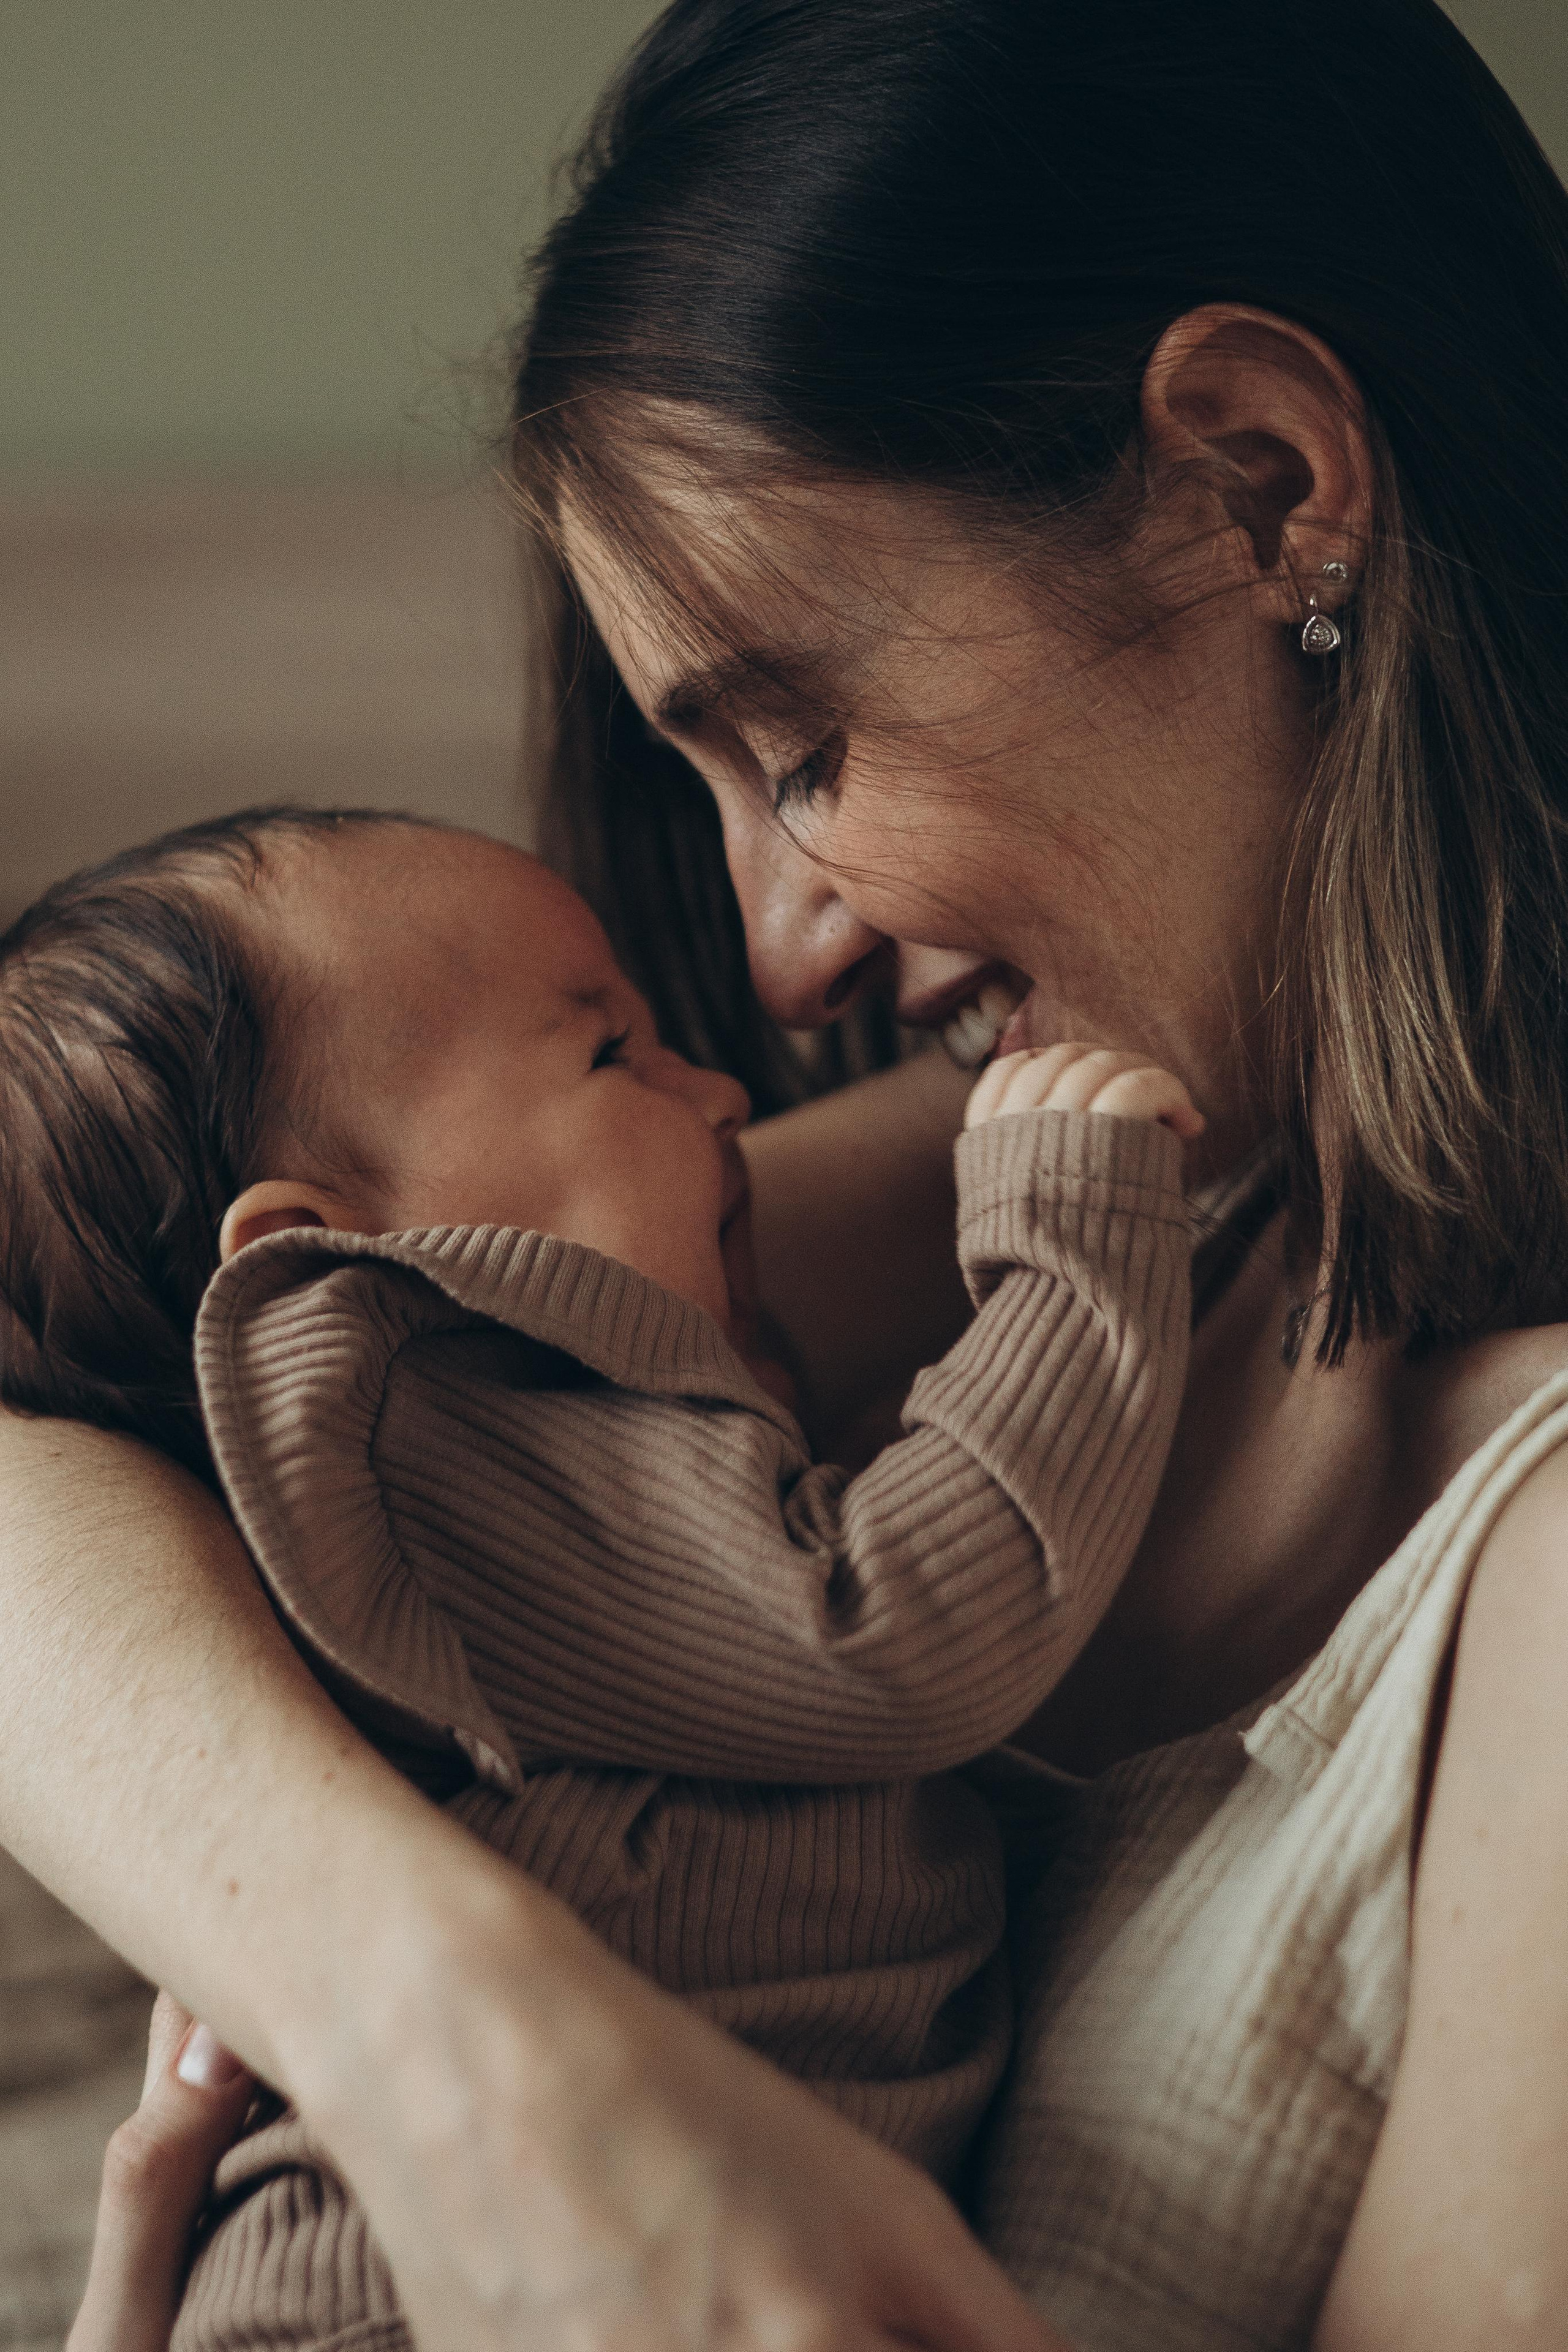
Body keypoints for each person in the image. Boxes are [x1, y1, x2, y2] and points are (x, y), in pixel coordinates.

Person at [21, 0, 1568, 2342]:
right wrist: (449, 2036)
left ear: (1258, 482)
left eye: (809, 743)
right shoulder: (1081, 1178)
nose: (783, 956)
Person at [1, 804, 1193, 2345]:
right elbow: (887, 1629)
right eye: (608, 1056)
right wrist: (1073, 1242)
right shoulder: (439, 1417)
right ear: (330, 1259)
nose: (719, 1090)